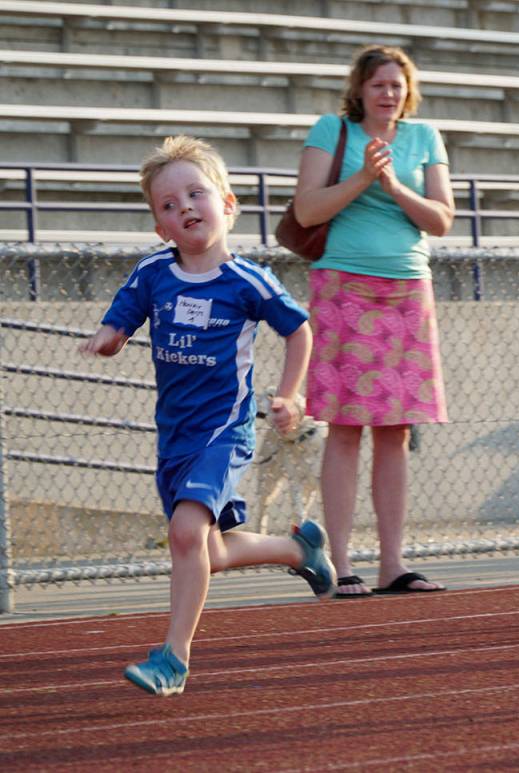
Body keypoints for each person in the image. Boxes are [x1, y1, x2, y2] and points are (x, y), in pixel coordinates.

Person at [80, 135, 335, 696]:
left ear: (228, 202)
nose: (185, 208)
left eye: (196, 193)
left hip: (225, 431)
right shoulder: (153, 274)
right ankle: (299, 550)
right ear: (159, 227)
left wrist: (291, 396)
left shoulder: (247, 281)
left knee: (184, 532)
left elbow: (299, 329)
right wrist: (108, 337)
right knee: (208, 550)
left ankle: (173, 658)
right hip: (175, 437)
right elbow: (121, 320)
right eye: (168, 205)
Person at [291, 45, 455, 597]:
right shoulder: (330, 130)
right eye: (379, 84)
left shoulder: (424, 136)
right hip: (343, 287)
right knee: (343, 427)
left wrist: (395, 187)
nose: (389, 93)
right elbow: (307, 211)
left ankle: (393, 561)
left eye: (397, 84)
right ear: (359, 89)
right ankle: (338, 561)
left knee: (396, 429)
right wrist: (364, 175)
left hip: (409, 289)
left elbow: (442, 219)